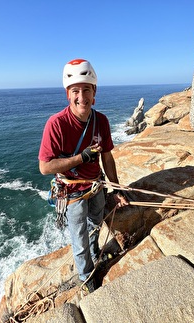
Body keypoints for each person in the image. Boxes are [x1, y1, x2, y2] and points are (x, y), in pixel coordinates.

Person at [38, 58, 128, 292]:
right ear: (68, 95)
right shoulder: (56, 124)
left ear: (94, 91)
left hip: (96, 187)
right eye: (75, 91)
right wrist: (81, 158)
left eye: (86, 90)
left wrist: (116, 189)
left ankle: (96, 256)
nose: (81, 97)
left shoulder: (101, 121)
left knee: (96, 226)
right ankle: (87, 278)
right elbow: (45, 167)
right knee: (79, 240)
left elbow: (107, 157)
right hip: (72, 194)